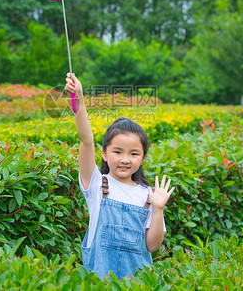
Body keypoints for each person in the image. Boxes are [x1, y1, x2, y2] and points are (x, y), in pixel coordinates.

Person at [64, 72, 175, 279]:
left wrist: (158, 208)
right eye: (117, 152)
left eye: (134, 154)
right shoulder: (97, 183)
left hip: (138, 282)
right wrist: (78, 97)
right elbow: (86, 140)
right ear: (104, 154)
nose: (125, 159)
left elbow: (152, 246)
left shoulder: (147, 195)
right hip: (100, 281)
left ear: (143, 158)